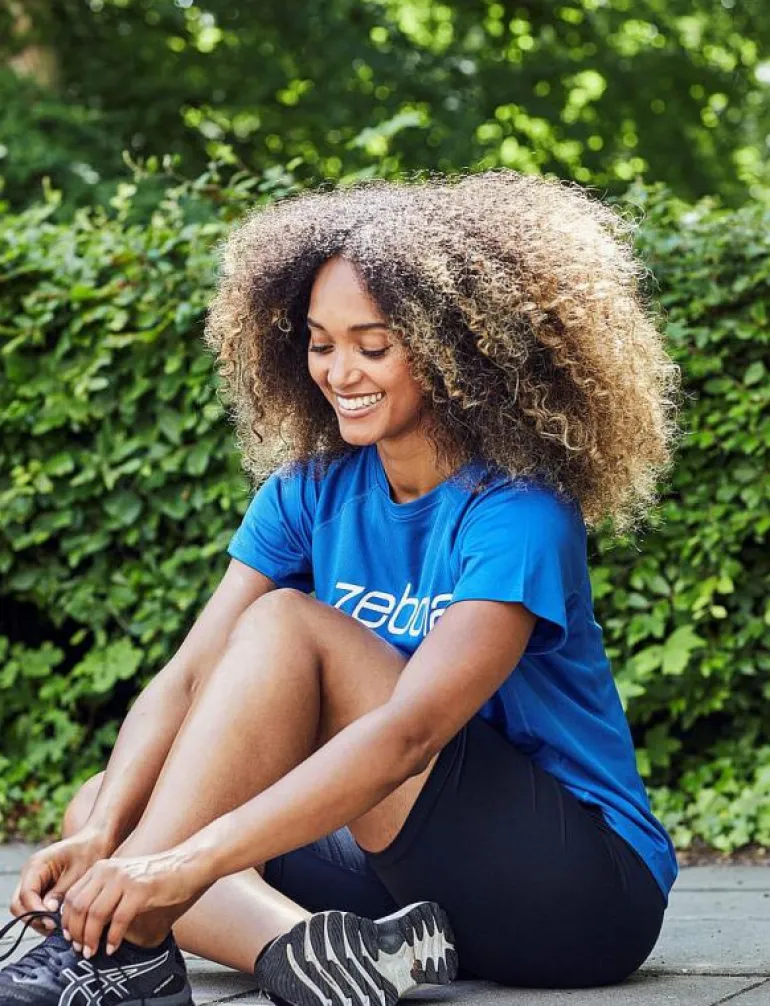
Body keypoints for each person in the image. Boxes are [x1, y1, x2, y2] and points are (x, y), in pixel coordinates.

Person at [0, 170, 681, 1006]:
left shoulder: (518, 513)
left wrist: (177, 863)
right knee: (104, 804)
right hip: (406, 878)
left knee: (287, 626)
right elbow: (185, 678)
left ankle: (128, 953)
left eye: (373, 344)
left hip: (575, 891)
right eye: (321, 344)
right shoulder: (308, 491)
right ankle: (314, 951)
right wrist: (111, 836)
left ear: (455, 351)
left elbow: (408, 736)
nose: (339, 370)